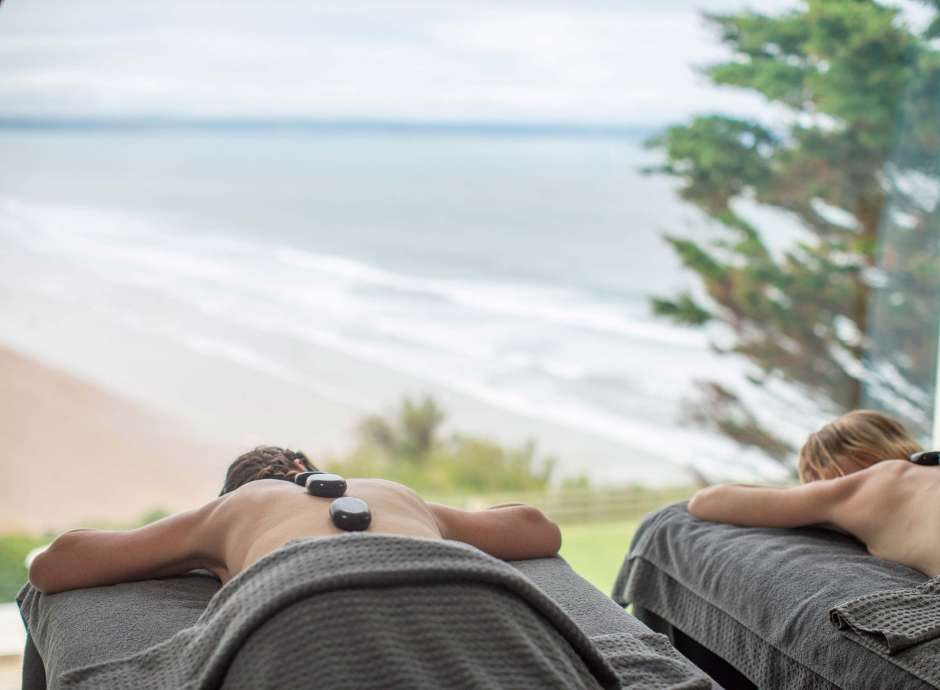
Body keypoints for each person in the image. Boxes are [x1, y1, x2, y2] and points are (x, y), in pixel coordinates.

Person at [28, 446, 562, 594]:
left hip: (305, 610)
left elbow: (55, 565)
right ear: (308, 471)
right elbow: (537, 528)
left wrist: (189, 540)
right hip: (466, 595)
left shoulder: (232, 509)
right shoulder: (394, 493)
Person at [688, 409, 940, 576]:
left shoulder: (865, 485)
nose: (814, 488)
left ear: (860, 454)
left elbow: (705, 501)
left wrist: (814, 499)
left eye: (816, 479)